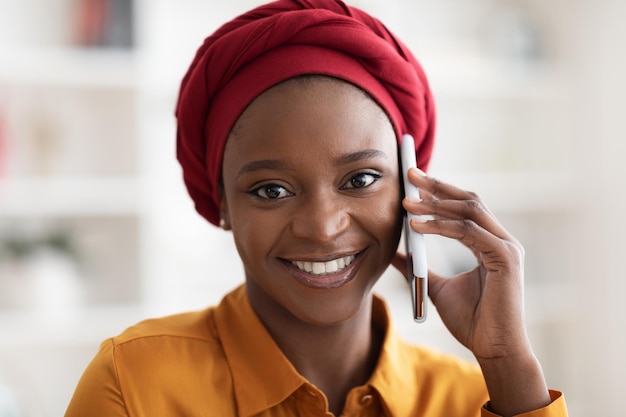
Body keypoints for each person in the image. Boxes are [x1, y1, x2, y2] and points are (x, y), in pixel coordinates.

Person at [65, 1, 568, 416]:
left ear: (410, 195)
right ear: (221, 206)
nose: (323, 228)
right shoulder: (133, 387)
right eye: (270, 190)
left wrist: (508, 364)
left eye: (361, 179)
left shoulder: (476, 399)